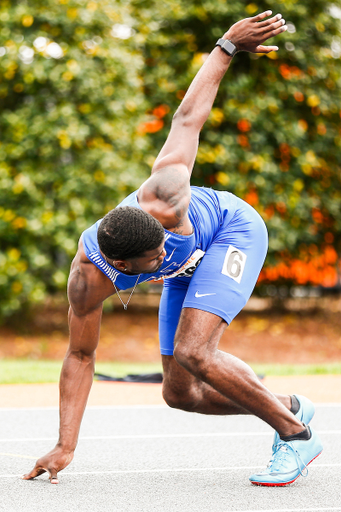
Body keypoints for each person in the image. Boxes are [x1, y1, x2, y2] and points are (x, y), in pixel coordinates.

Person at [23, 11, 322, 487]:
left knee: (193, 351)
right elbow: (80, 357)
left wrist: (226, 45)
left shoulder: (164, 195)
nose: (164, 253)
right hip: (191, 268)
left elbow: (188, 118)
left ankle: (296, 435)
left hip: (232, 230)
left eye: (164, 245)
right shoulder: (88, 280)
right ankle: (288, 406)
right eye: (154, 260)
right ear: (122, 267)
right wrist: (65, 445)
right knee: (180, 394)